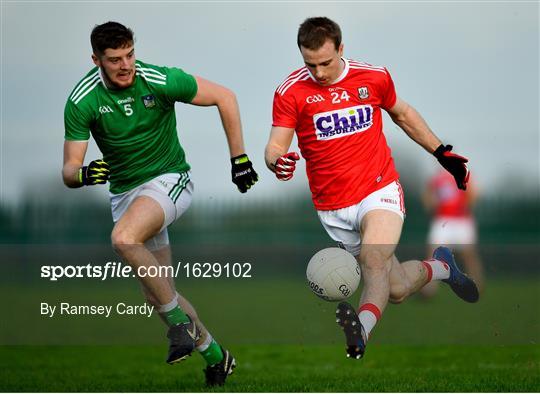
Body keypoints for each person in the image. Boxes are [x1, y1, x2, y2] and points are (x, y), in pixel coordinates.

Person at [264, 17, 479, 360]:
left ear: (341, 49)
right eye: (310, 64)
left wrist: (443, 153)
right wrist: (277, 161)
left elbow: (404, 114)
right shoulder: (290, 91)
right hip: (332, 208)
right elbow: (275, 145)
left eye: (325, 63)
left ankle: (360, 332)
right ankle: (442, 267)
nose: (318, 73)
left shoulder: (373, 77)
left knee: (374, 258)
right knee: (394, 288)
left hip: (379, 189)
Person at [63, 21, 258, 386]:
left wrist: (239, 159)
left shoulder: (157, 79)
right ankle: (217, 356)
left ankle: (181, 329)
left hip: (169, 181)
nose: (125, 65)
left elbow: (225, 97)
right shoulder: (82, 100)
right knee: (160, 296)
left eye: (129, 55)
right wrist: (85, 174)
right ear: (96, 60)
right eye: (114, 59)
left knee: (123, 239)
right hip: (126, 196)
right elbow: (69, 170)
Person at [421, 169, 484, 297]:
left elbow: (474, 193)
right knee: (433, 254)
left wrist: (466, 204)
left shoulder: (463, 175)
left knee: (468, 255)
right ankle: (428, 290)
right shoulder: (437, 178)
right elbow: (427, 197)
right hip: (443, 219)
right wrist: (431, 204)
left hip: (461, 220)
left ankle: (477, 285)